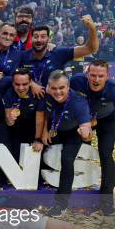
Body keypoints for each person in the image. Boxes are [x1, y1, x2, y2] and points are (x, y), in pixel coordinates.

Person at [69, 60, 115, 215]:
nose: (96, 79)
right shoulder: (76, 81)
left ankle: (107, 201)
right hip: (82, 118)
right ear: (87, 74)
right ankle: (72, 192)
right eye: (93, 75)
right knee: (76, 151)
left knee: (106, 156)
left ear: (107, 76)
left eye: (100, 76)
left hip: (106, 121)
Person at [40, 71, 92, 216]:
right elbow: (45, 113)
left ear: (68, 87)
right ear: (48, 87)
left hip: (73, 133)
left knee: (67, 160)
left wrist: (85, 133)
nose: (58, 92)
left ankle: (60, 204)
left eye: (61, 88)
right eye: (54, 88)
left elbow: (86, 127)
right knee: (36, 146)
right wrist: (44, 130)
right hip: (55, 129)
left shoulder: (78, 103)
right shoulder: (47, 94)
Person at [20, 16, 99, 97]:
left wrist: (92, 28)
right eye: (36, 37)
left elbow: (91, 48)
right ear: (31, 39)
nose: (39, 40)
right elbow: (10, 73)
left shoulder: (58, 53)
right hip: (29, 103)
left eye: (43, 37)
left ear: (48, 39)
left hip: (55, 102)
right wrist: (31, 83)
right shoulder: (22, 56)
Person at [3, 68, 45, 161]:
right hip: (17, 128)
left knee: (36, 156)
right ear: (13, 83)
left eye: (24, 84)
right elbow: (9, 122)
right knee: (16, 155)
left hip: (34, 127)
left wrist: (38, 139)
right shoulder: (9, 94)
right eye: (17, 84)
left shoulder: (37, 94)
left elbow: (40, 120)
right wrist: (10, 120)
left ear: (30, 82)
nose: (21, 88)